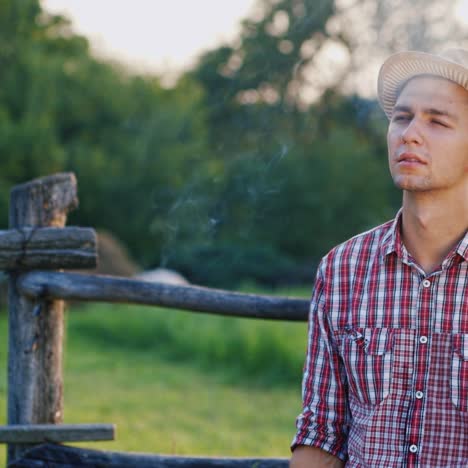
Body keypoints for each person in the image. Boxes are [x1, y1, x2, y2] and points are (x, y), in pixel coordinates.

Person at [290, 49, 468, 467]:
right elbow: (322, 431)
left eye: (437, 121)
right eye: (401, 118)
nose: (409, 133)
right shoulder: (342, 269)